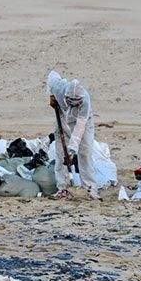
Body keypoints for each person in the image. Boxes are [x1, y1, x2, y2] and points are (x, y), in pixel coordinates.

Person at [46, 70, 100, 201]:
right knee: (60, 153)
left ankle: (90, 189)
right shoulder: (59, 88)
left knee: (85, 153)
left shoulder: (85, 102)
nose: (75, 104)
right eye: (72, 102)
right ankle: (63, 188)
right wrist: (51, 95)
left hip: (84, 122)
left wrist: (72, 150)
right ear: (66, 97)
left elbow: (80, 127)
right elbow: (52, 75)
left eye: (77, 102)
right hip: (63, 116)